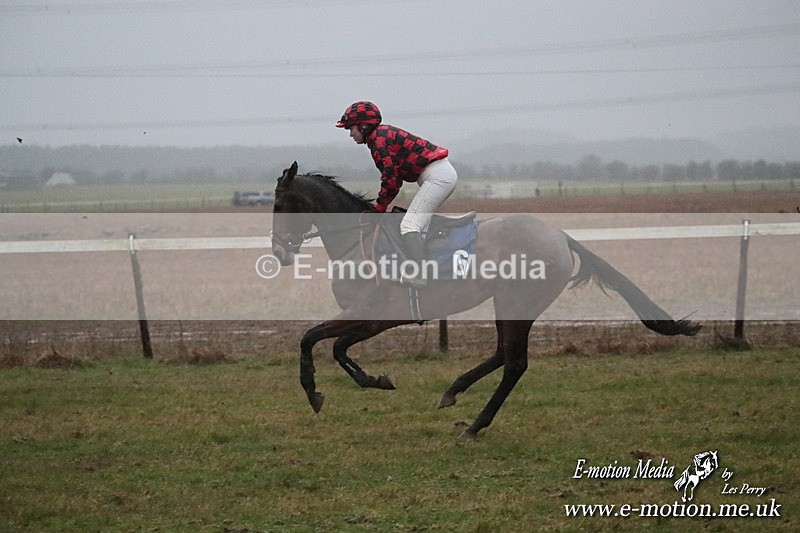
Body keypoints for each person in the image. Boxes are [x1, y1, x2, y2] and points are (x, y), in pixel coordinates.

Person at [336, 101, 458, 288]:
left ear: (363, 125)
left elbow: (391, 179)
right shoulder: (378, 136)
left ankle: (419, 276)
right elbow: (394, 179)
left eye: (350, 129)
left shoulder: (379, 140)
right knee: (413, 224)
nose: (350, 134)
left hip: (438, 177)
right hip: (437, 175)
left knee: (409, 225)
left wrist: (379, 208)